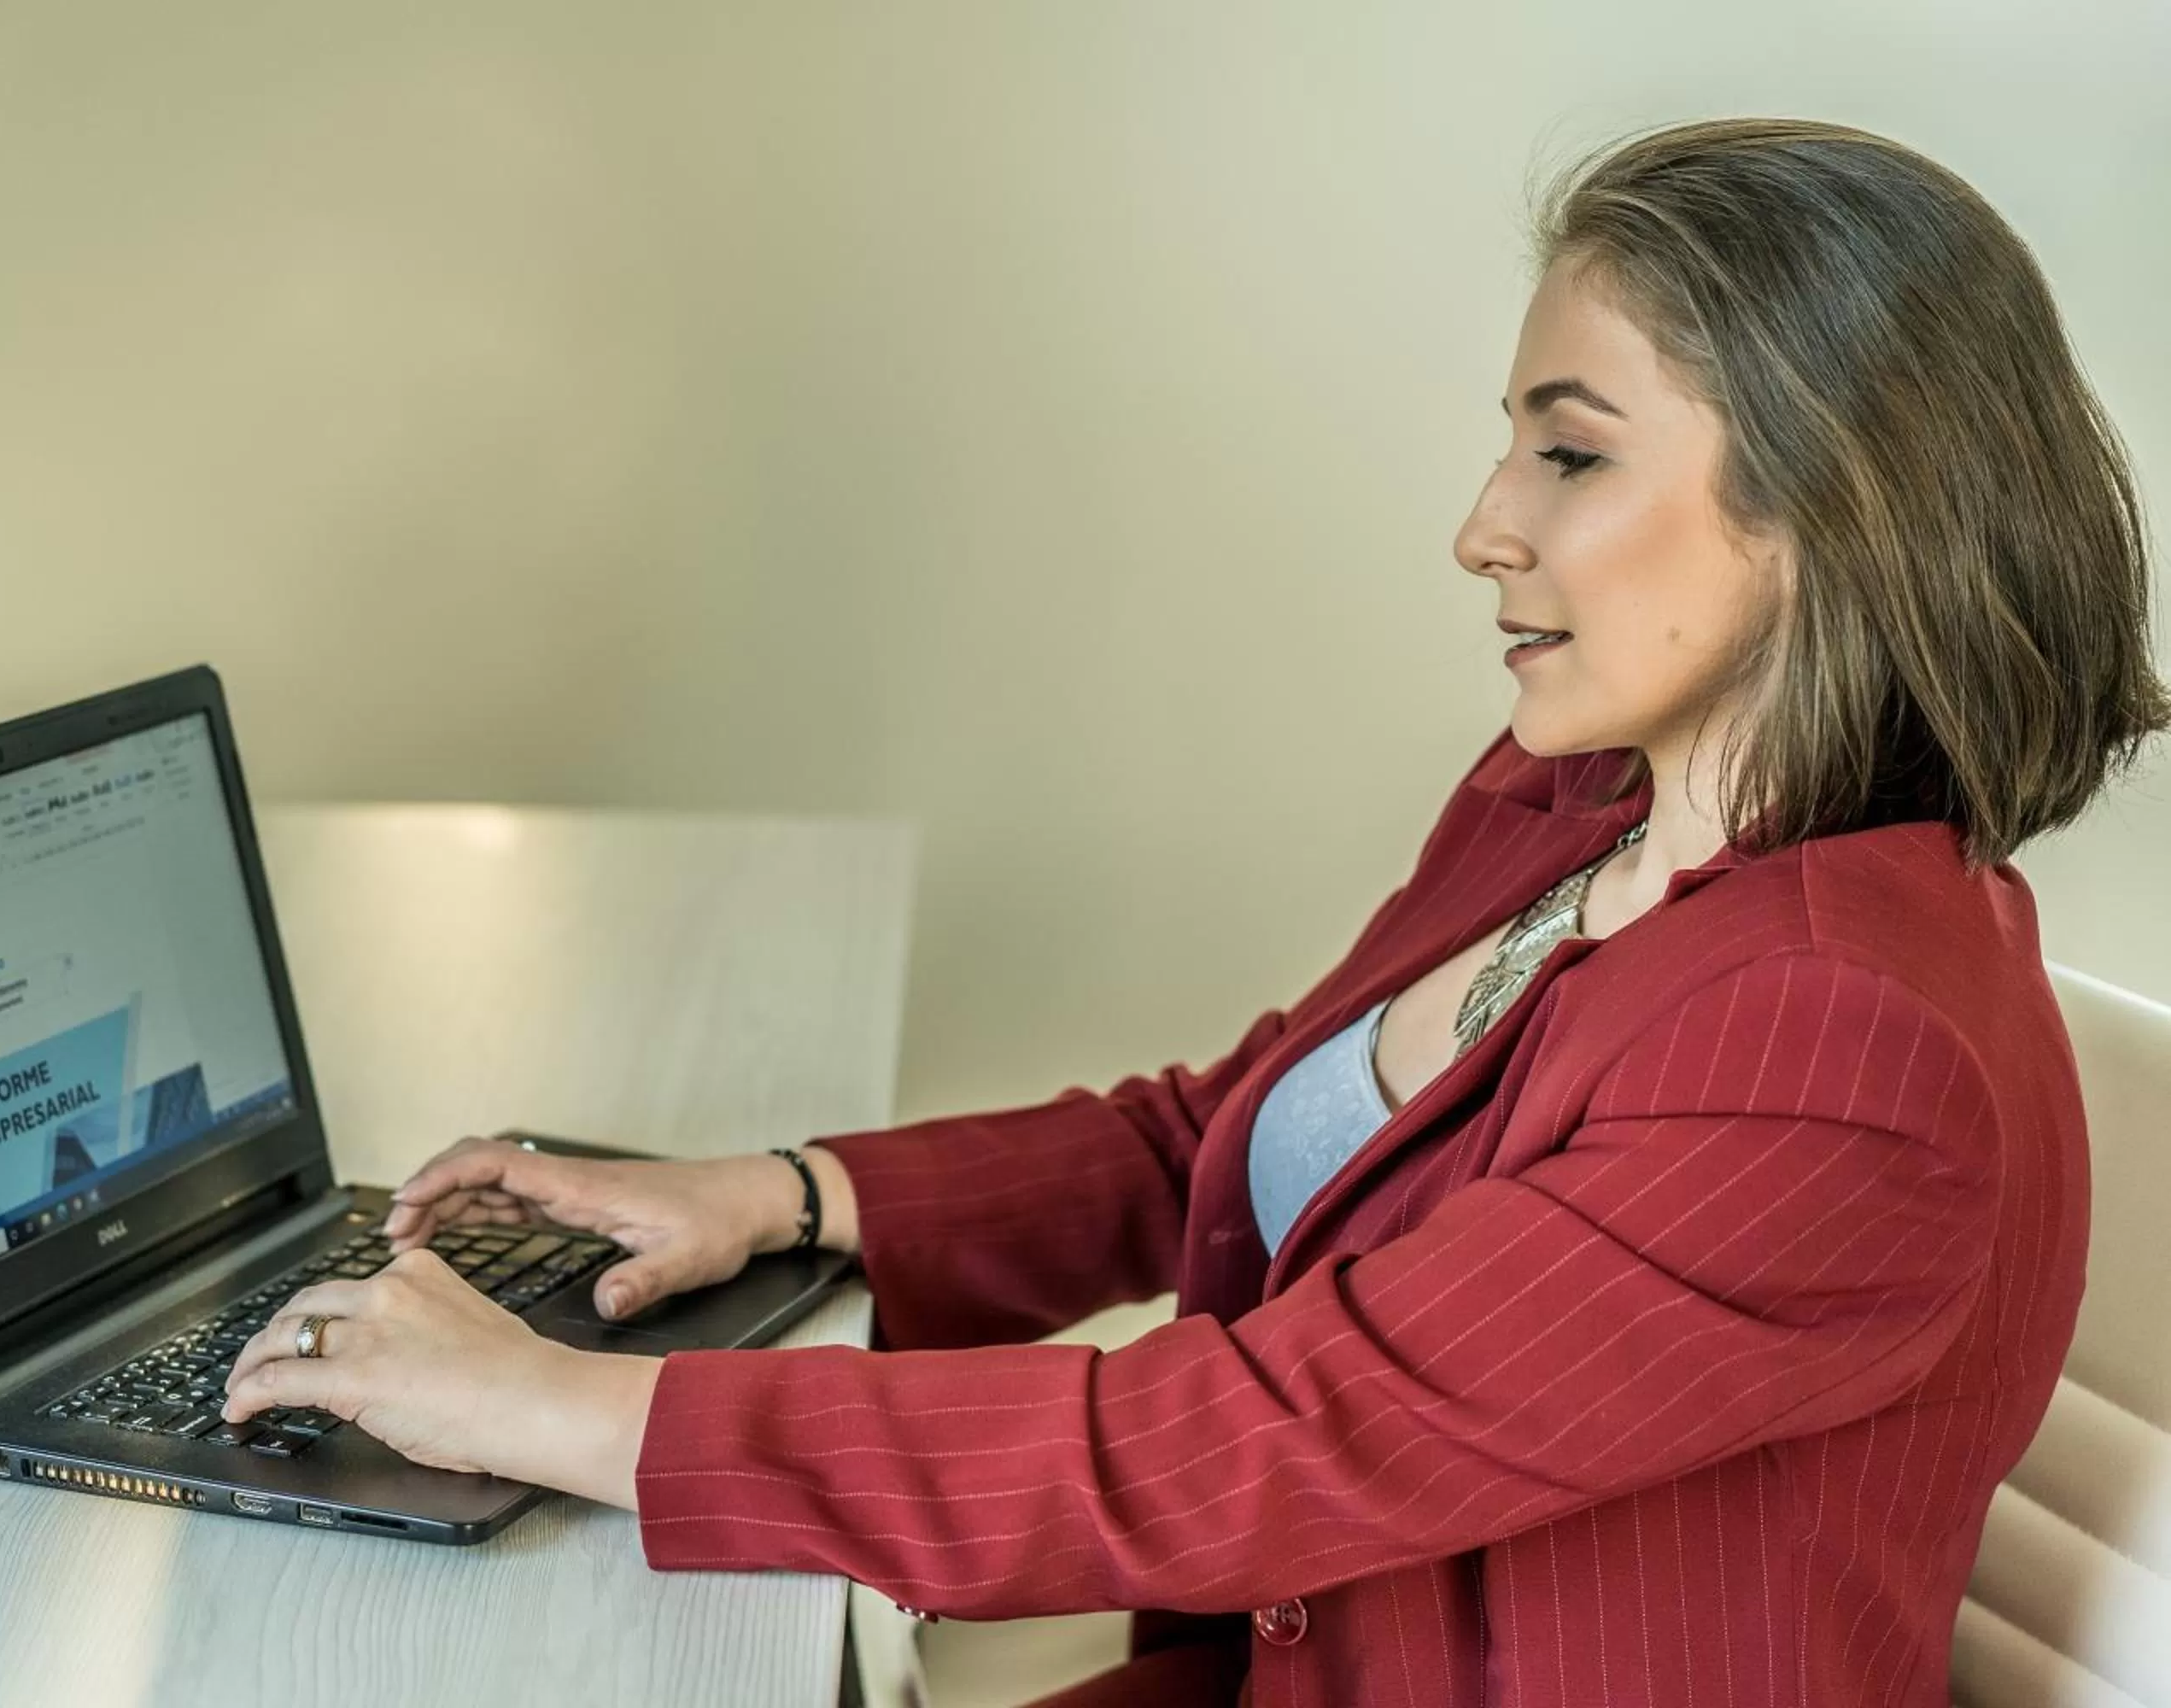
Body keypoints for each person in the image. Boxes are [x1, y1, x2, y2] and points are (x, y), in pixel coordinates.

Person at [221, 117, 2168, 1705]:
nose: (1484, 522)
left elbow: (1258, 1441)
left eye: (1570, 452)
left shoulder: (1842, 1045)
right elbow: (1229, 1137)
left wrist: (583, 1419)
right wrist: (788, 1193)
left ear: (1835, 510)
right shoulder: (1576, 804)